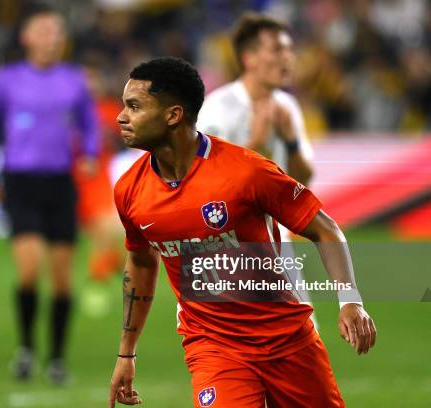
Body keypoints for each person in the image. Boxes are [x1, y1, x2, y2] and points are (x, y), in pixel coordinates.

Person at [108, 57, 376, 407]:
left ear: (173, 115)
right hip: (213, 348)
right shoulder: (129, 190)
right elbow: (141, 263)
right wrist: (126, 353)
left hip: (287, 339)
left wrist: (350, 300)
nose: (121, 116)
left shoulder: (246, 172)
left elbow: (324, 229)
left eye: (134, 106)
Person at [0, 6, 99, 384]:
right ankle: (27, 348)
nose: (52, 38)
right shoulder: (7, 80)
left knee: (62, 279)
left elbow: (89, 123)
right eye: (44, 31)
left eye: (57, 32)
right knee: (30, 271)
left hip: (61, 183)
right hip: (21, 181)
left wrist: (91, 154)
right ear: (26, 38)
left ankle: (58, 358)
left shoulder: (74, 80)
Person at [196, 13, 316, 315]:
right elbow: (202, 183)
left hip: (275, 239)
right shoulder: (217, 110)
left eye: (289, 49)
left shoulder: (286, 106)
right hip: (226, 245)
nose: (287, 57)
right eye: (277, 49)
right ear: (249, 58)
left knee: (302, 336)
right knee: (235, 346)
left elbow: (304, 179)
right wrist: (255, 143)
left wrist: (290, 141)